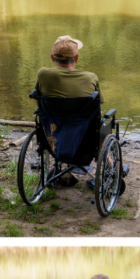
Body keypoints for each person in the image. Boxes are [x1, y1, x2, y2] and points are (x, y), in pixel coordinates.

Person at [35, 35, 104, 180]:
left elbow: (38, 102)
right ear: (76, 58)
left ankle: (59, 167)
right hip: (85, 139)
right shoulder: (91, 77)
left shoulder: (43, 74)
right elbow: (98, 107)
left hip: (52, 133)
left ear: (53, 58)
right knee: (102, 125)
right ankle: (111, 167)